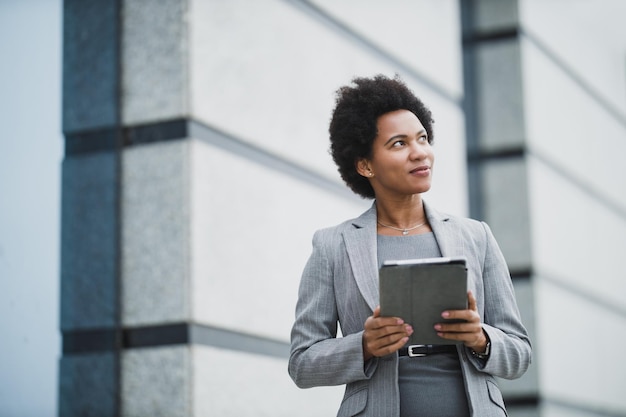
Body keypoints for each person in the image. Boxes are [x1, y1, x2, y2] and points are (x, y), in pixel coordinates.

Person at [288, 74, 531, 417]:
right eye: (399, 143)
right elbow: (302, 363)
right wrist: (364, 346)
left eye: (422, 138)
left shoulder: (477, 237)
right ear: (365, 164)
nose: (420, 153)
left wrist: (480, 337)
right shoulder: (332, 246)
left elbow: (519, 354)